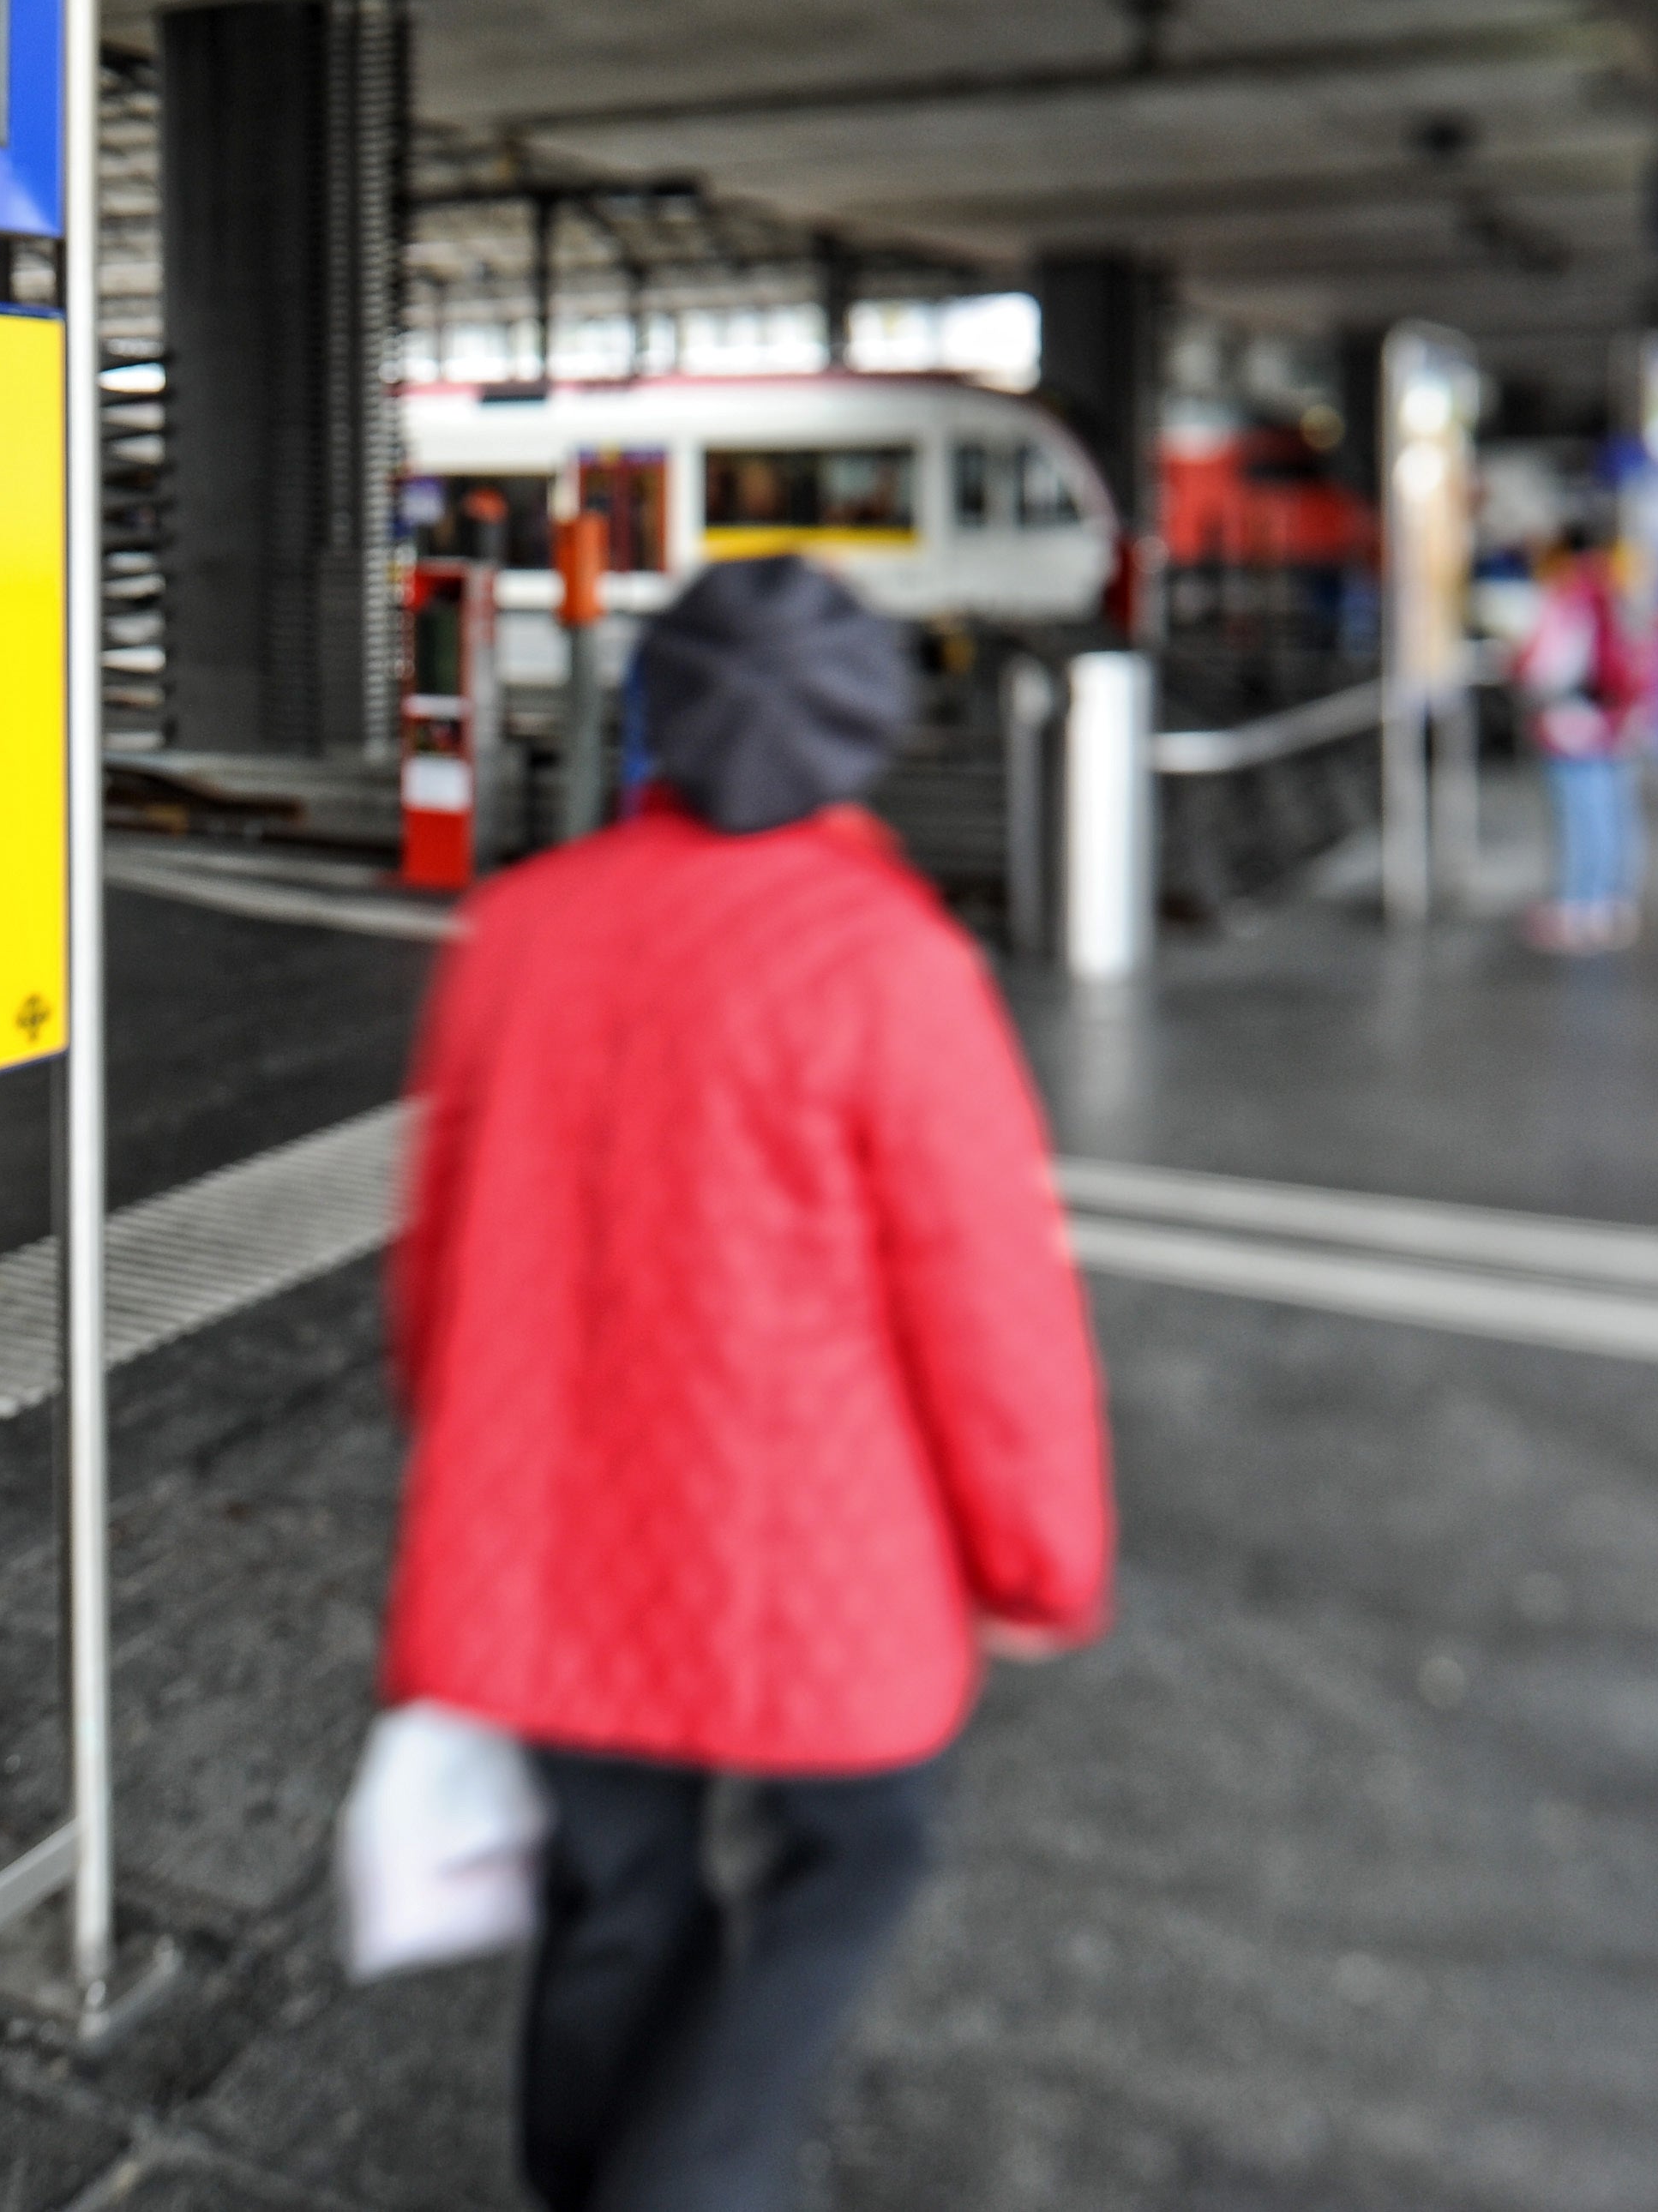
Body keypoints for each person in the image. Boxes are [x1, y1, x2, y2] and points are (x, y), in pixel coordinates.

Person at [380, 554, 1114, 2212]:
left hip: (550, 1522)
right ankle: (690, 2180)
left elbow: (436, 1257)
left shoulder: (524, 924)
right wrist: (1036, 1562)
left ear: (659, 715)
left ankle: (587, 2181)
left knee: (614, 1888)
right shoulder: (892, 961)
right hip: (818, 1554)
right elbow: (990, 1313)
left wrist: (460, 1432)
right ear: (866, 734)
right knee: (855, 1857)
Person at [1514, 525, 1655, 953]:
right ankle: (1615, 905)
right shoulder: (1619, 593)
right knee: (1615, 818)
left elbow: (1544, 670)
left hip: (1572, 727)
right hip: (1617, 725)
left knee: (1580, 822)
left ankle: (1578, 910)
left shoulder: (1566, 600)